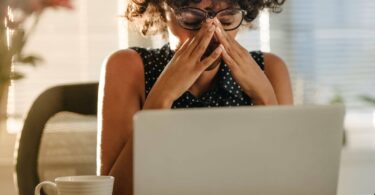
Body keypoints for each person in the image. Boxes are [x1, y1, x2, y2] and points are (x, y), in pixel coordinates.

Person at [98, 0, 293, 194]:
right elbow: (114, 191)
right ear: (161, 8)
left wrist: (265, 97)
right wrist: (162, 97)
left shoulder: (270, 69)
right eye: (191, 19)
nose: (212, 33)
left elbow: (290, 183)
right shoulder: (127, 67)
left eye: (226, 20)